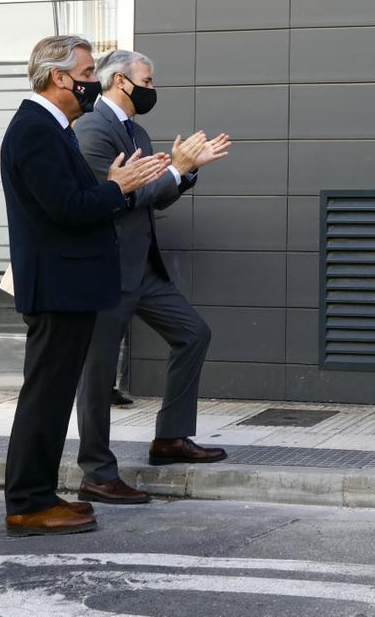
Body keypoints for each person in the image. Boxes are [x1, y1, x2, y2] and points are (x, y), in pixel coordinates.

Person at [0, 35, 169, 536]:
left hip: (66, 285)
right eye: (89, 72)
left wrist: (112, 187)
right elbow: (66, 210)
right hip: (57, 287)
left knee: (50, 398)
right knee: (45, 399)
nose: (93, 81)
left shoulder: (54, 129)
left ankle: (40, 495)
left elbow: (71, 201)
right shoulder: (35, 130)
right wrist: (118, 189)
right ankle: (28, 504)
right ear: (59, 77)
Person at [73, 49, 232, 505]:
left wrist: (186, 169)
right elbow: (120, 198)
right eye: (148, 78)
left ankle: (170, 439)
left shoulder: (133, 129)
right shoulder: (91, 129)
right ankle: (97, 473)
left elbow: (153, 197)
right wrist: (176, 169)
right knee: (96, 373)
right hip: (106, 269)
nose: (152, 86)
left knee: (193, 333)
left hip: (142, 268)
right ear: (122, 81)